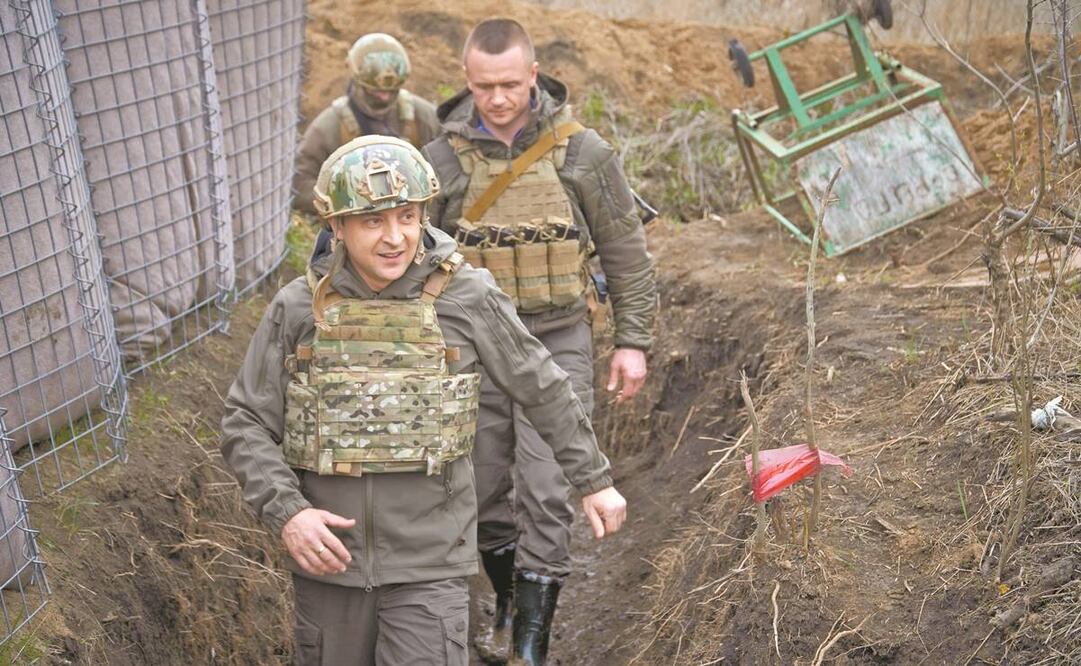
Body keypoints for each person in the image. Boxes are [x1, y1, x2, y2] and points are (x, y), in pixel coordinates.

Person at [220, 135, 627, 665]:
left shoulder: (467, 297)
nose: (395, 238)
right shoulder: (300, 308)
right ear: (336, 226)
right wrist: (290, 513)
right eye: (373, 222)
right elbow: (245, 421)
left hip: (431, 565)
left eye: (408, 217)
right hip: (329, 567)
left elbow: (543, 386)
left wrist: (593, 480)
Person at [422, 18, 656, 666]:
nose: (496, 99)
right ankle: (505, 602)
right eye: (482, 86)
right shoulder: (438, 160)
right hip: (470, 352)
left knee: (549, 486)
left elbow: (625, 254)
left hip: (557, 337)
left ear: (533, 76)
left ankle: (531, 645)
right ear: (466, 82)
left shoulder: (583, 153)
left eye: (508, 85)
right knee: (485, 487)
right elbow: (410, 258)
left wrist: (630, 341)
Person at [292, 32, 440, 262]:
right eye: (374, 90)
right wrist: (347, 200)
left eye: (391, 91)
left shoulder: (423, 117)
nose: (383, 97)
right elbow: (299, 184)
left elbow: (445, 170)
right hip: (353, 240)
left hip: (415, 233)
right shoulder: (330, 126)